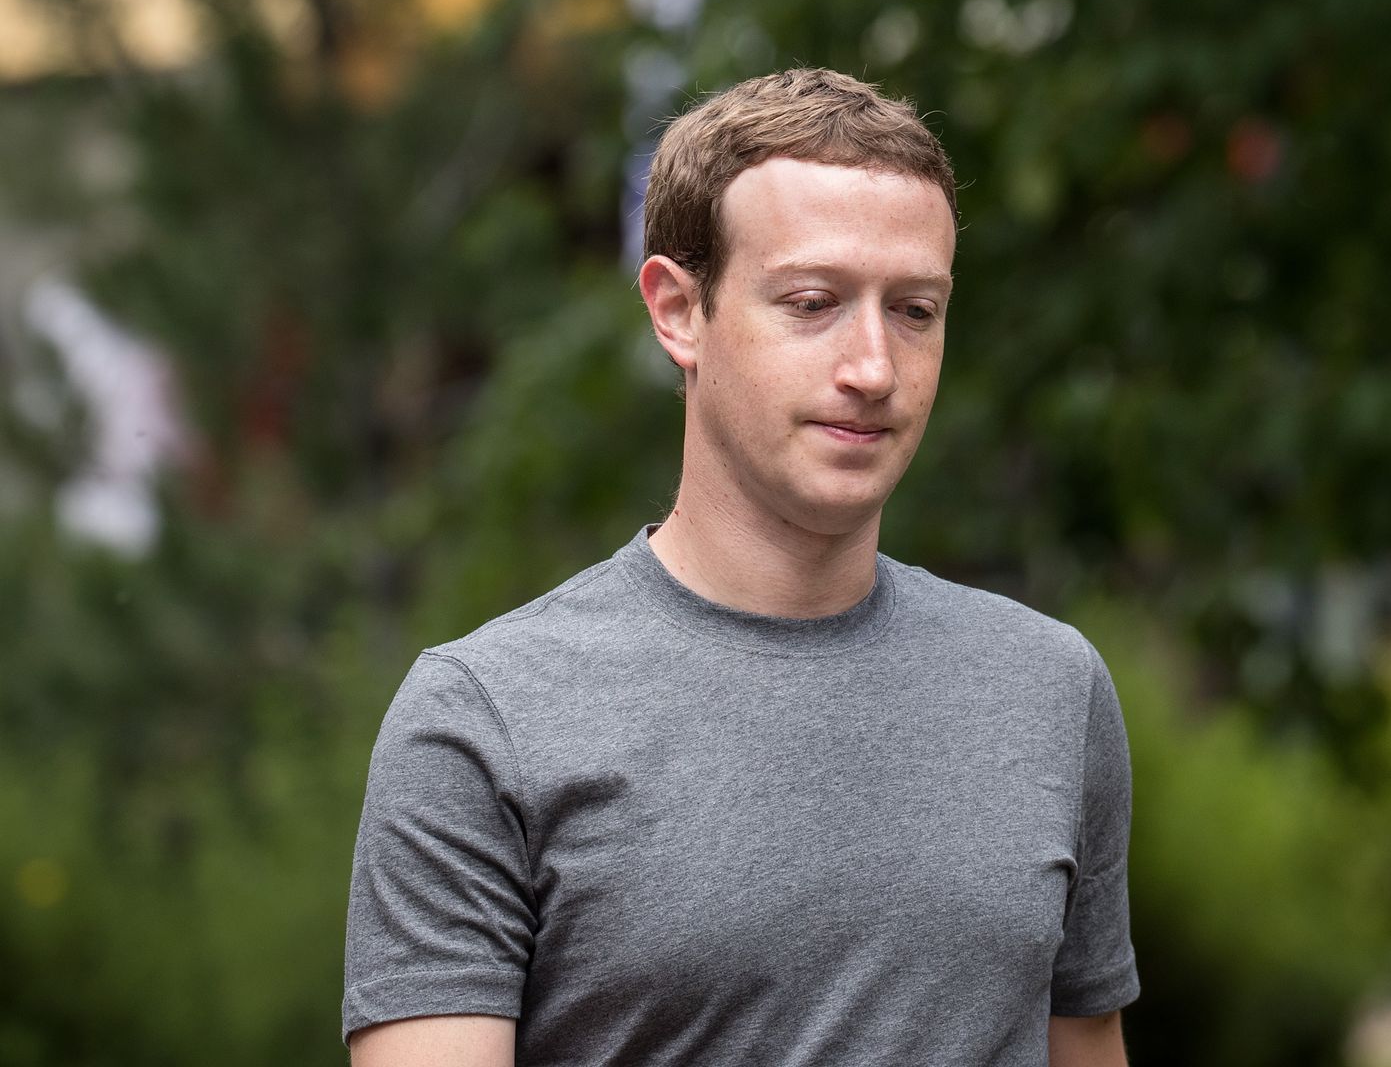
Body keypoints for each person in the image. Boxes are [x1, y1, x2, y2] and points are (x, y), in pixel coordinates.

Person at [342, 67, 1138, 1067]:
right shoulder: (482, 723)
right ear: (678, 310)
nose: (873, 367)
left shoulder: (1048, 690)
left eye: (915, 311)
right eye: (813, 302)